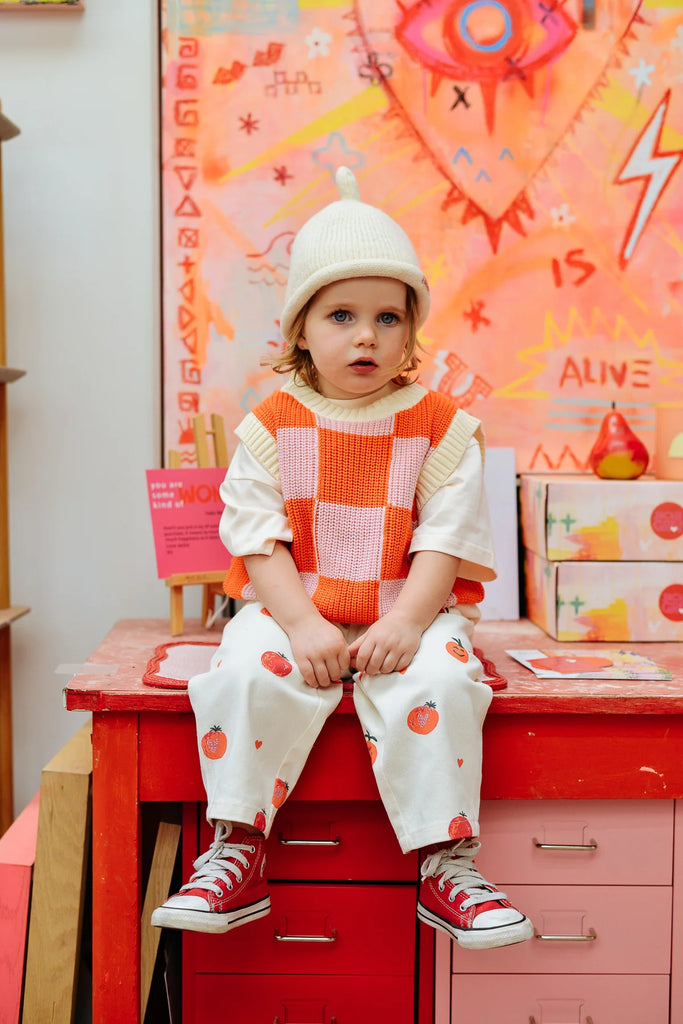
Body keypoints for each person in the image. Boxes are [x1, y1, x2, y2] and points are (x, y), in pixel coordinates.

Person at [152, 167, 533, 951]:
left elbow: (444, 536)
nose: (367, 335)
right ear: (299, 331)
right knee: (242, 672)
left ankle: (444, 861)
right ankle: (239, 846)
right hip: (294, 607)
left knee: (439, 678)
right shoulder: (270, 424)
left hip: (409, 607)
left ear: (410, 331)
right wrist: (298, 624)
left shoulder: (441, 426)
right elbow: (259, 539)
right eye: (341, 314)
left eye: (388, 317)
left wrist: (405, 621)